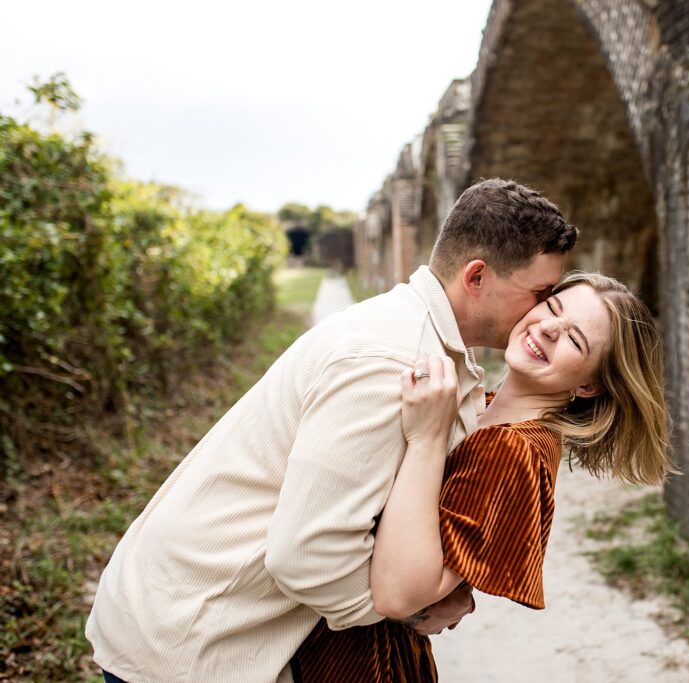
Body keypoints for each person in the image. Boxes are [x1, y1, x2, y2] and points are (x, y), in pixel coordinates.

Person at [86, 179, 578, 683]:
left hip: (182, 609)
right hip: (190, 640)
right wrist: (414, 610)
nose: (541, 312)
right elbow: (307, 555)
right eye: (540, 294)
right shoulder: (389, 364)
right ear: (477, 277)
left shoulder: (414, 329)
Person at [289, 272, 673, 682]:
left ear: (589, 385)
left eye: (575, 340)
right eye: (552, 308)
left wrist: (426, 440)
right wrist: (455, 588)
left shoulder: (514, 447)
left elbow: (399, 595)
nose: (547, 329)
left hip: (364, 666)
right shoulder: (487, 410)